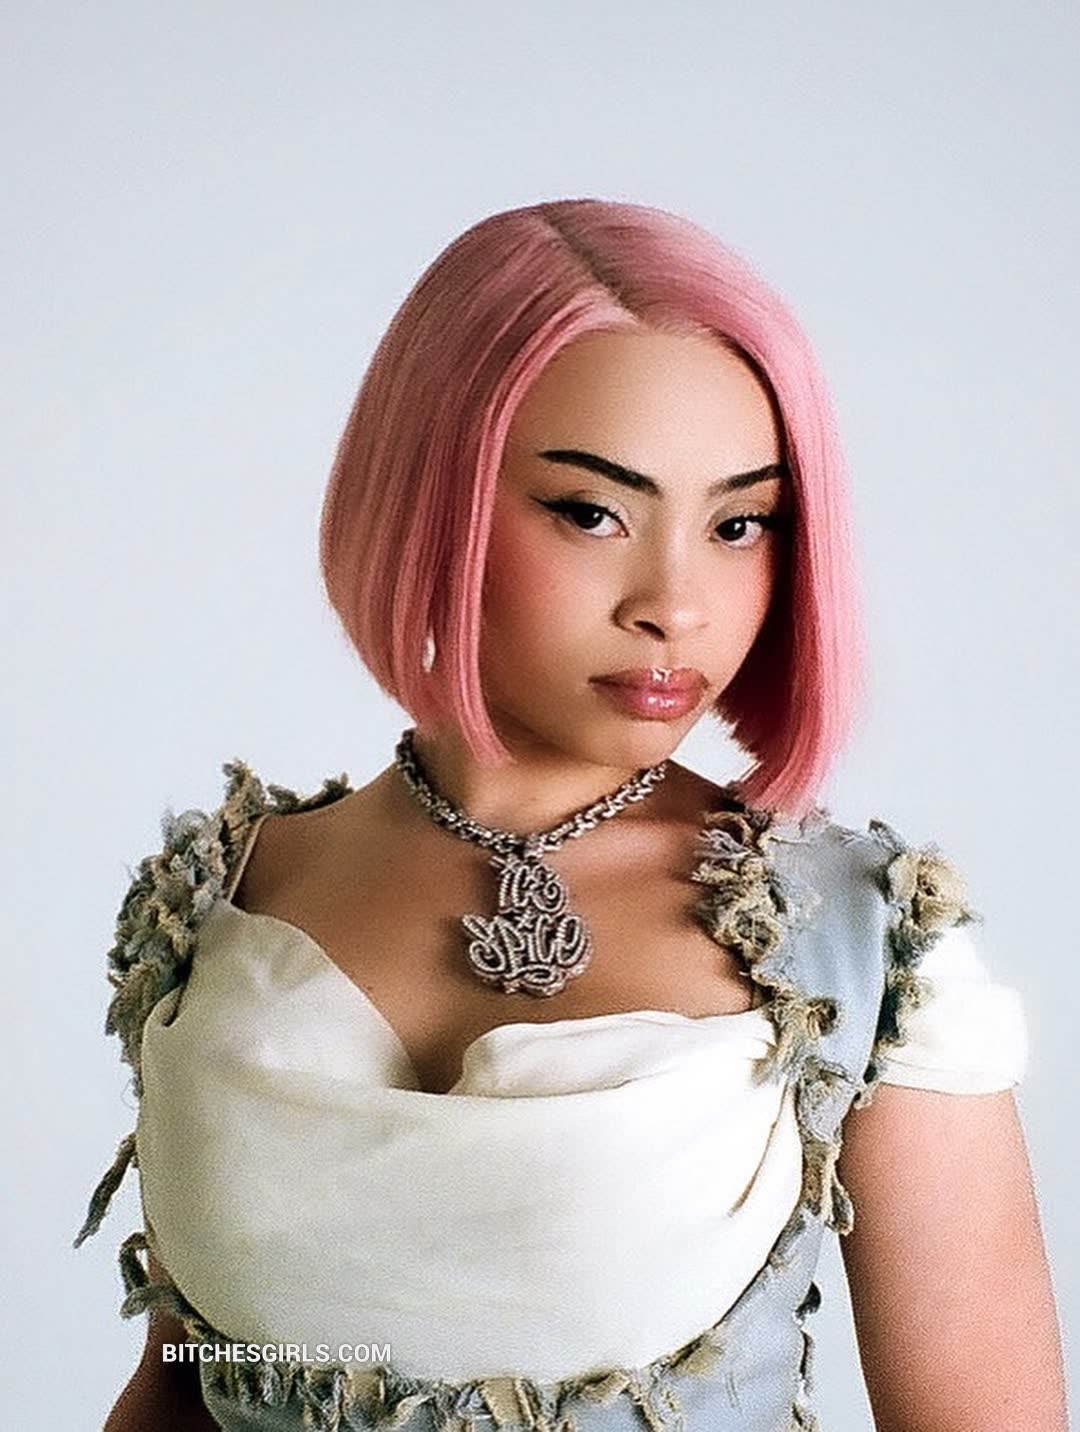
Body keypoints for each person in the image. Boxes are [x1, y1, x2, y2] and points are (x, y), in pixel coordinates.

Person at [78, 199, 1067, 1431]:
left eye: (739, 523)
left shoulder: (866, 948)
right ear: (429, 500)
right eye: (593, 511)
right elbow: (185, 1381)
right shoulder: (219, 898)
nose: (676, 603)